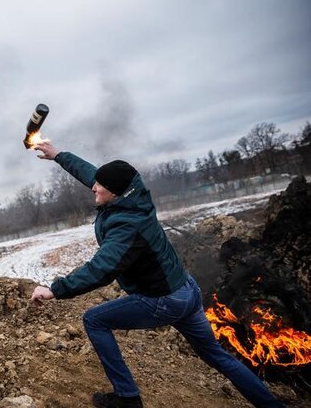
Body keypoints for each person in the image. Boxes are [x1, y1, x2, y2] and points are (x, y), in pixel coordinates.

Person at [29, 142, 284, 408]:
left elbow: (102, 268)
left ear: (115, 192)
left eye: (100, 186)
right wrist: (58, 155)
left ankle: (127, 398)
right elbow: (94, 175)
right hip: (187, 291)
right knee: (221, 358)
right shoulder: (131, 195)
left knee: (94, 320)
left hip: (163, 300)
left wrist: (55, 289)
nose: (94, 187)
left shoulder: (126, 226)